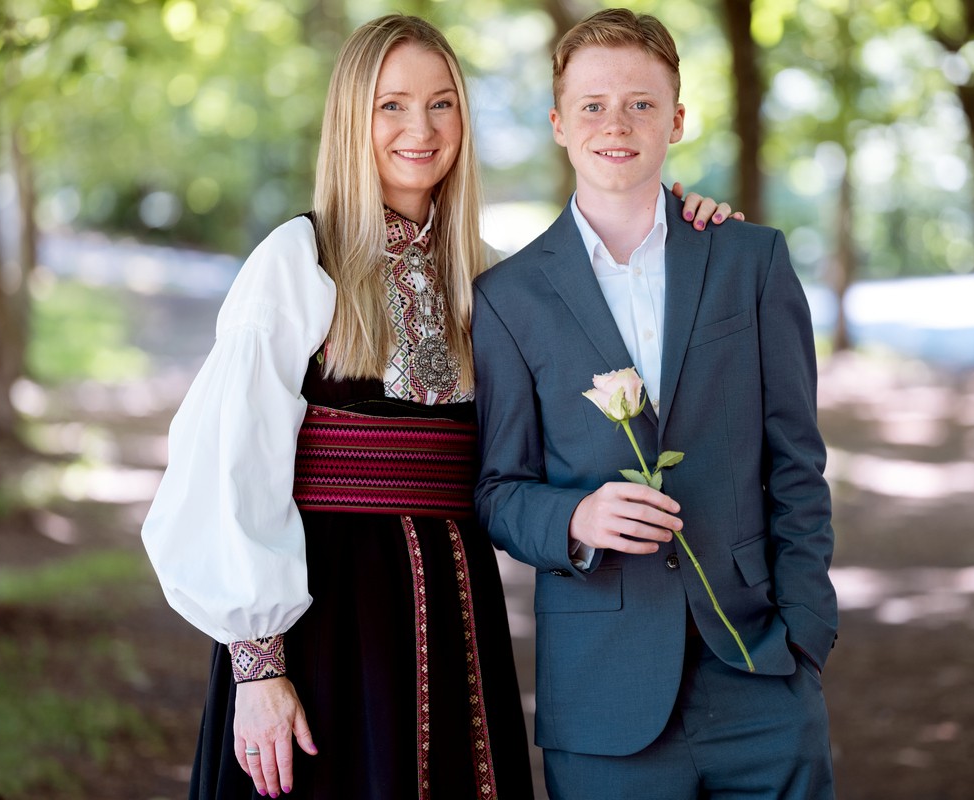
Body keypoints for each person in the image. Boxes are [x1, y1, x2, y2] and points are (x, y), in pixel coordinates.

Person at [142, 13, 737, 799]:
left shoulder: (486, 278)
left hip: (457, 607)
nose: (420, 128)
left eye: (441, 103)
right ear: (352, 118)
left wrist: (678, 229)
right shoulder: (298, 260)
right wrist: (258, 666)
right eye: (391, 105)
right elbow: (229, 461)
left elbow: (595, 383)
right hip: (328, 620)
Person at [473, 8, 839, 800]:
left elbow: (796, 463)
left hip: (760, 673)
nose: (617, 124)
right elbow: (499, 491)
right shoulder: (507, 298)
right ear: (558, 125)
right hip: (602, 701)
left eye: (641, 103)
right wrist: (575, 518)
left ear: (676, 120)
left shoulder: (751, 260)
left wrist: (806, 633)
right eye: (593, 105)